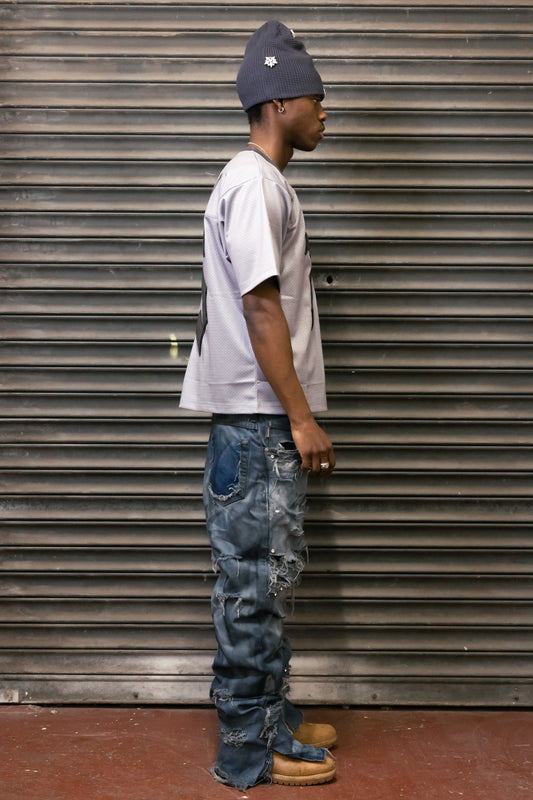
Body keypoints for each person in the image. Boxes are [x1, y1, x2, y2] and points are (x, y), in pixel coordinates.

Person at [179, 20, 337, 789]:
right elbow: (260, 307)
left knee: (267, 581)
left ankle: (269, 714)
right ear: (278, 102)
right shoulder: (252, 185)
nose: (324, 112)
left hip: (257, 426)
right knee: (252, 591)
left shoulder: (262, 183)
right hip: (259, 426)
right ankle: (246, 747)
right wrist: (301, 417)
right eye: (315, 98)